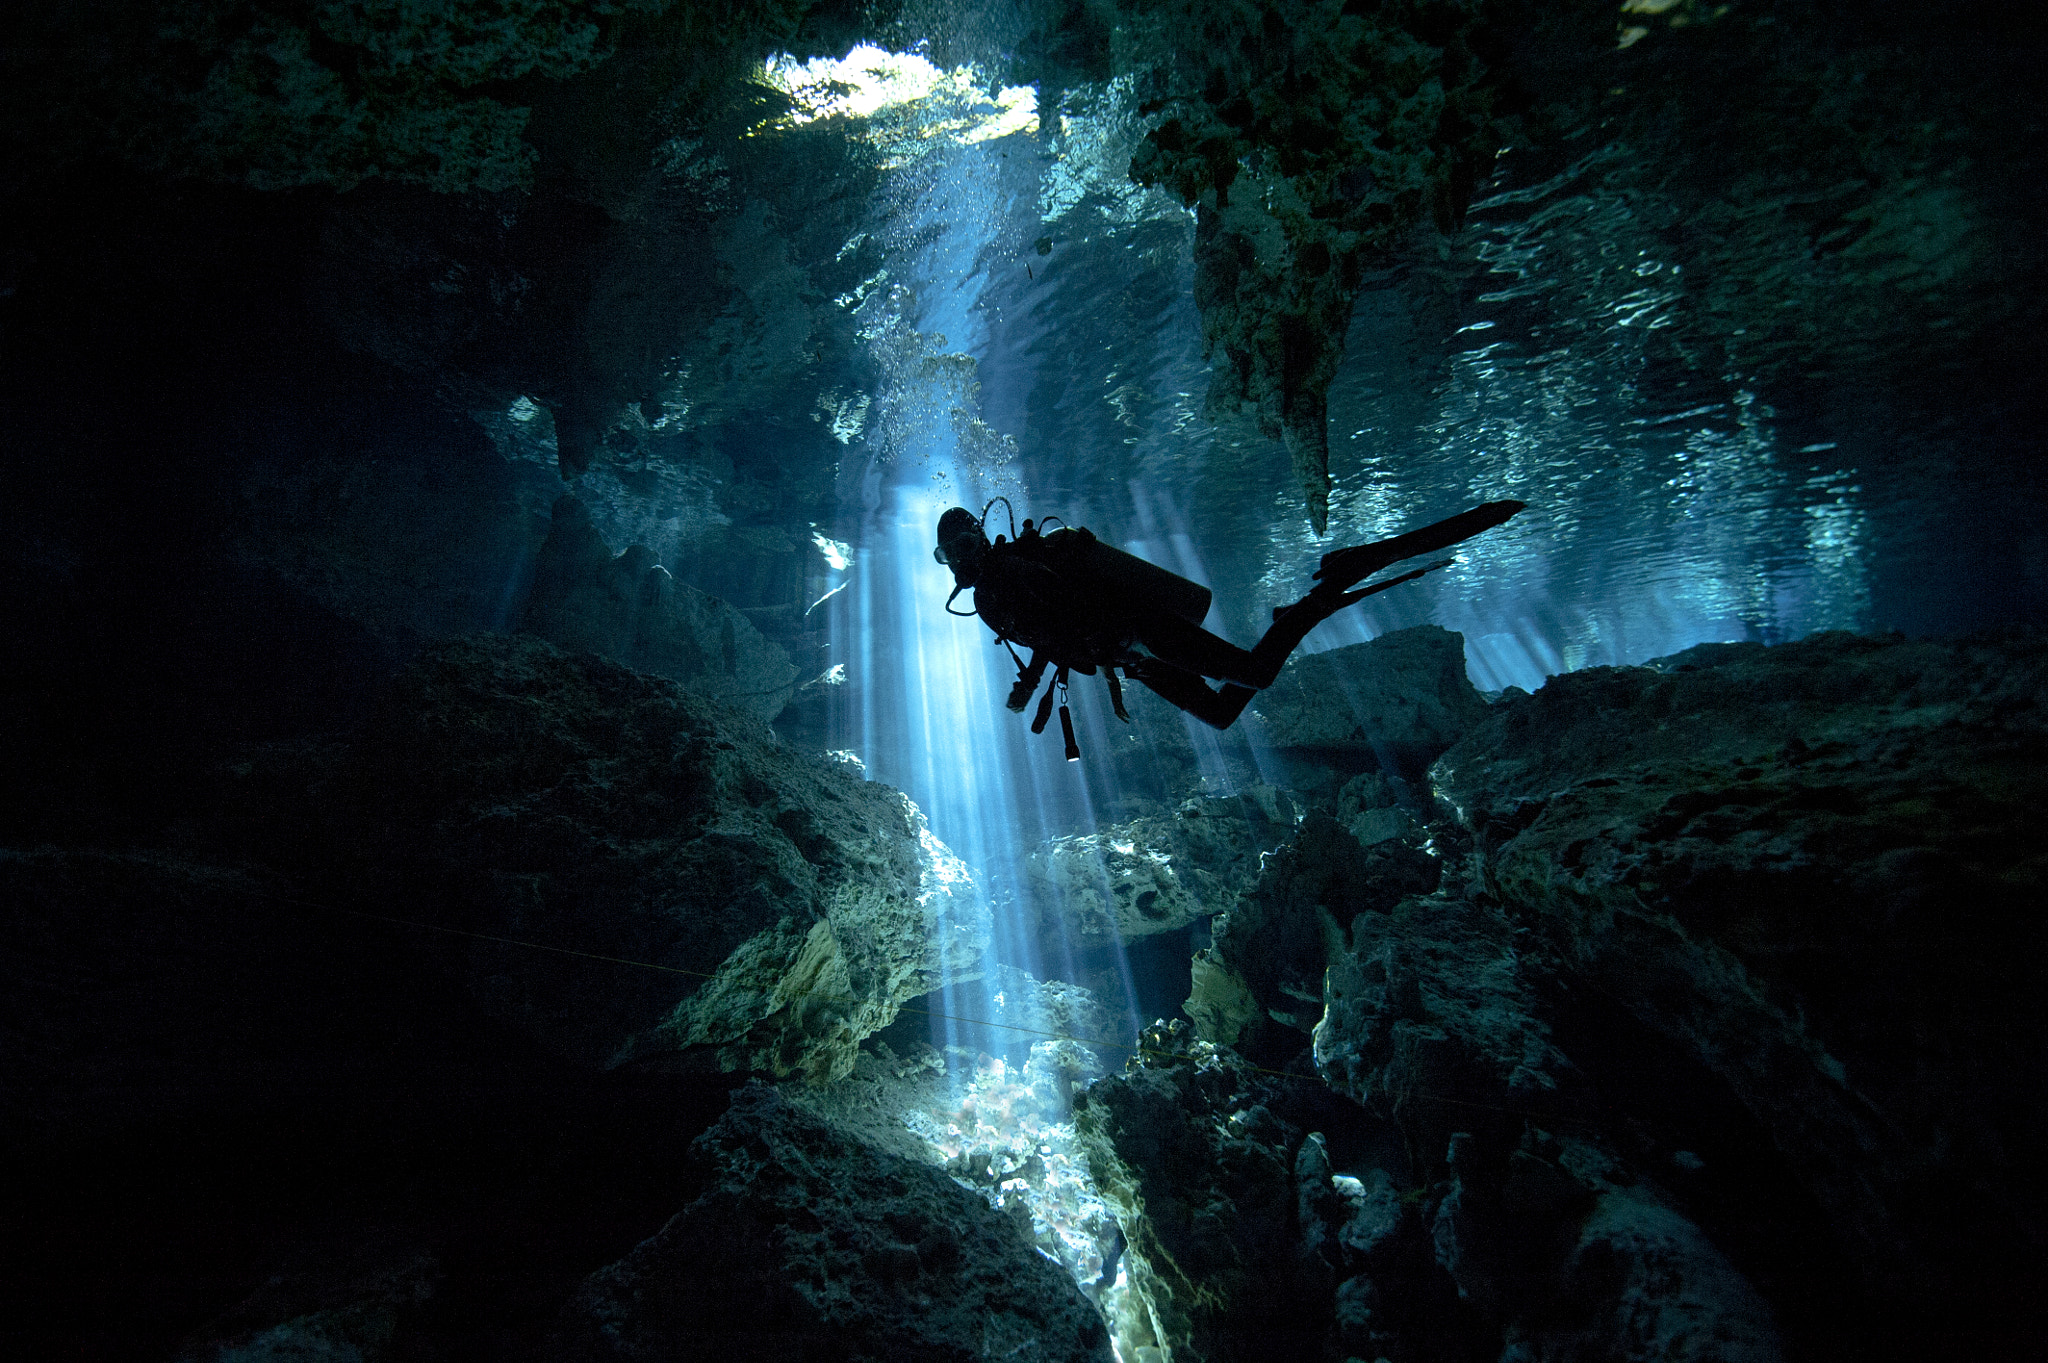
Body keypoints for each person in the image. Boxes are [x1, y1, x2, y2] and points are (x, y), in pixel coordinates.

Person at [934, 498, 1524, 747]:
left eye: (961, 546)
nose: (961, 557)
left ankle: (1315, 602)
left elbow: (1061, 620)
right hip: (1132, 656)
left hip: (1136, 633)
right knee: (1220, 714)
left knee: (1254, 676)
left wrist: (1044, 682)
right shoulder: (1000, 584)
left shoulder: (1003, 580)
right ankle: (1302, 611)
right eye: (954, 551)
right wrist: (1033, 686)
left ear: (974, 542)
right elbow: (1050, 632)